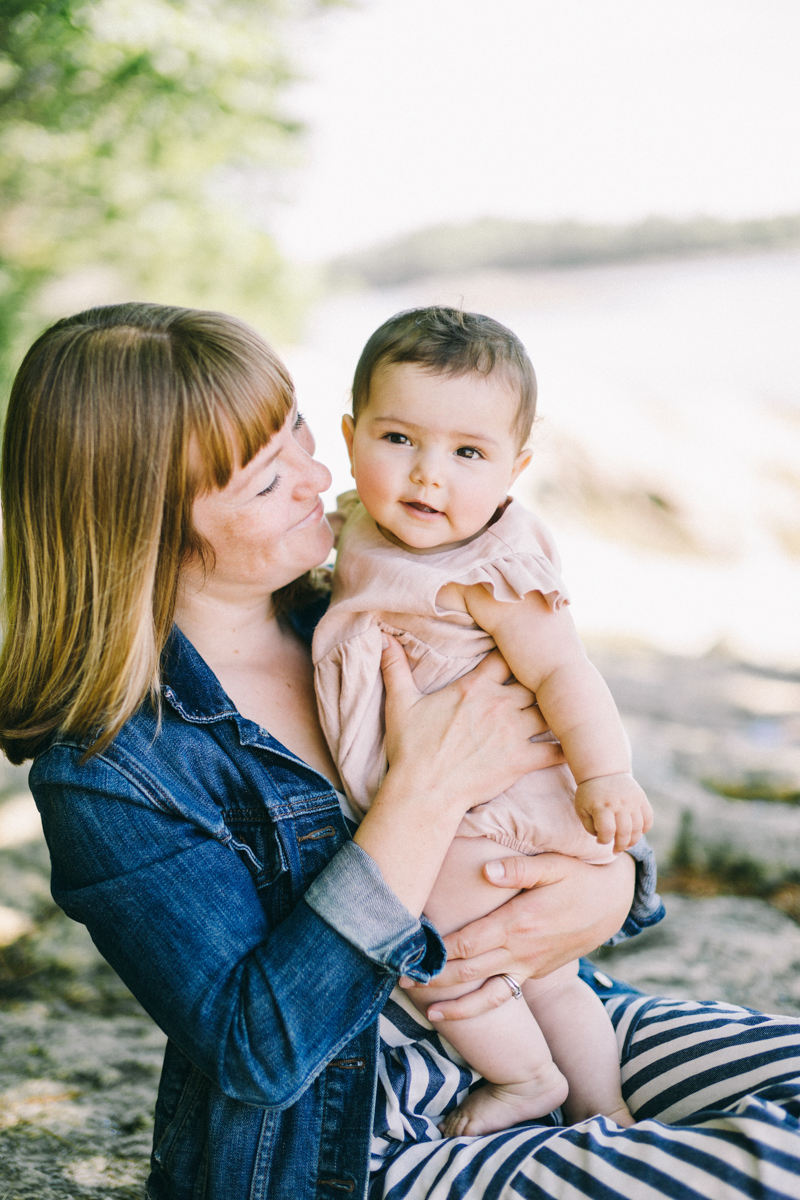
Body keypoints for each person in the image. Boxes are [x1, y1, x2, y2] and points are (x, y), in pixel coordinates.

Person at [0, 303, 797, 1200]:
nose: (314, 478)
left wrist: (608, 886)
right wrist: (420, 797)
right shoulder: (111, 769)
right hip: (354, 1141)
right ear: (140, 527)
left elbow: (556, 770)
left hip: (554, 1009)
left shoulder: (364, 607)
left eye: (298, 432)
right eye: (266, 484)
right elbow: (258, 1050)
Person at [314, 307, 652, 1136]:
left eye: (468, 454)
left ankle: (530, 1081)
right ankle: (604, 1110)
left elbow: (564, 671)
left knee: (438, 963)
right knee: (551, 979)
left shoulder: (490, 569)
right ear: (351, 436)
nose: (429, 476)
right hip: (443, 797)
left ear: (515, 468)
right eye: (400, 440)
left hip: (488, 816)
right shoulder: (360, 523)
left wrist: (607, 775)